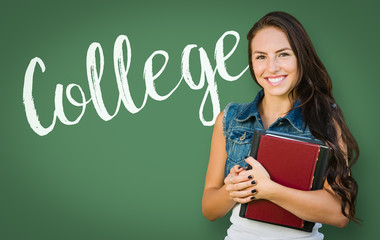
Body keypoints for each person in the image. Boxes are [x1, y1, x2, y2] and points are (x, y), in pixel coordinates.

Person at [202, 11, 359, 240]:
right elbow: (209, 209)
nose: (272, 67)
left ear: (300, 58)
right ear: (252, 63)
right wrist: (231, 191)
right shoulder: (229, 119)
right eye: (261, 57)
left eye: (283, 54)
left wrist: (270, 190)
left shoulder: (324, 119)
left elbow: (340, 214)